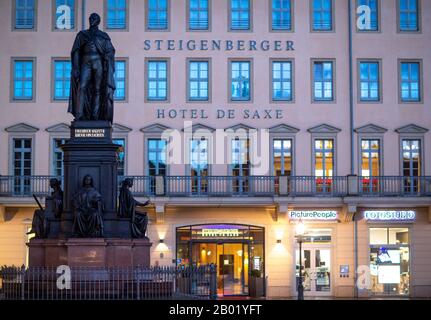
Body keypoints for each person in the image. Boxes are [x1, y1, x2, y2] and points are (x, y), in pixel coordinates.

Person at [68, 13, 116, 122]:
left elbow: (110, 50)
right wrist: (76, 67)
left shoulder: (103, 36)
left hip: (98, 62)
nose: (92, 20)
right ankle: (79, 114)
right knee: (82, 86)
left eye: (94, 18)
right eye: (90, 18)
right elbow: (76, 51)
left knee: (98, 89)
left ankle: (95, 115)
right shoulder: (82, 35)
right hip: (85, 61)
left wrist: (107, 57)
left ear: (98, 21)